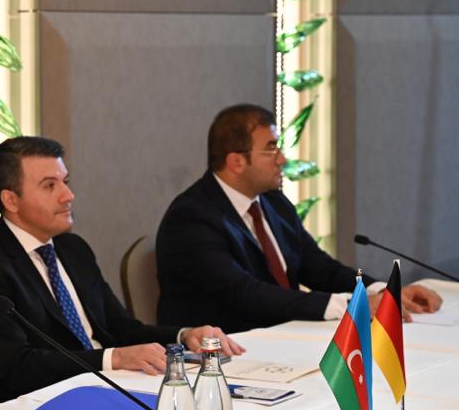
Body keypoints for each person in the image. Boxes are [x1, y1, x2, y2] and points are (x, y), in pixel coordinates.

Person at [0, 136, 243, 410]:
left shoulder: (73, 249)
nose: (68, 195)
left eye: (65, 182)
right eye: (49, 186)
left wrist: (184, 335)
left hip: (107, 390)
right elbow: (19, 367)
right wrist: (114, 358)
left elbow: (122, 329)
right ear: (11, 200)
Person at [157, 104, 441, 333]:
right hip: (224, 352)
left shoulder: (273, 202)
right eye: (271, 149)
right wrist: (353, 305)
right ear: (236, 162)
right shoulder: (191, 218)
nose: (282, 159)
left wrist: (381, 291)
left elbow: (318, 267)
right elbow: (245, 293)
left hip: (284, 336)